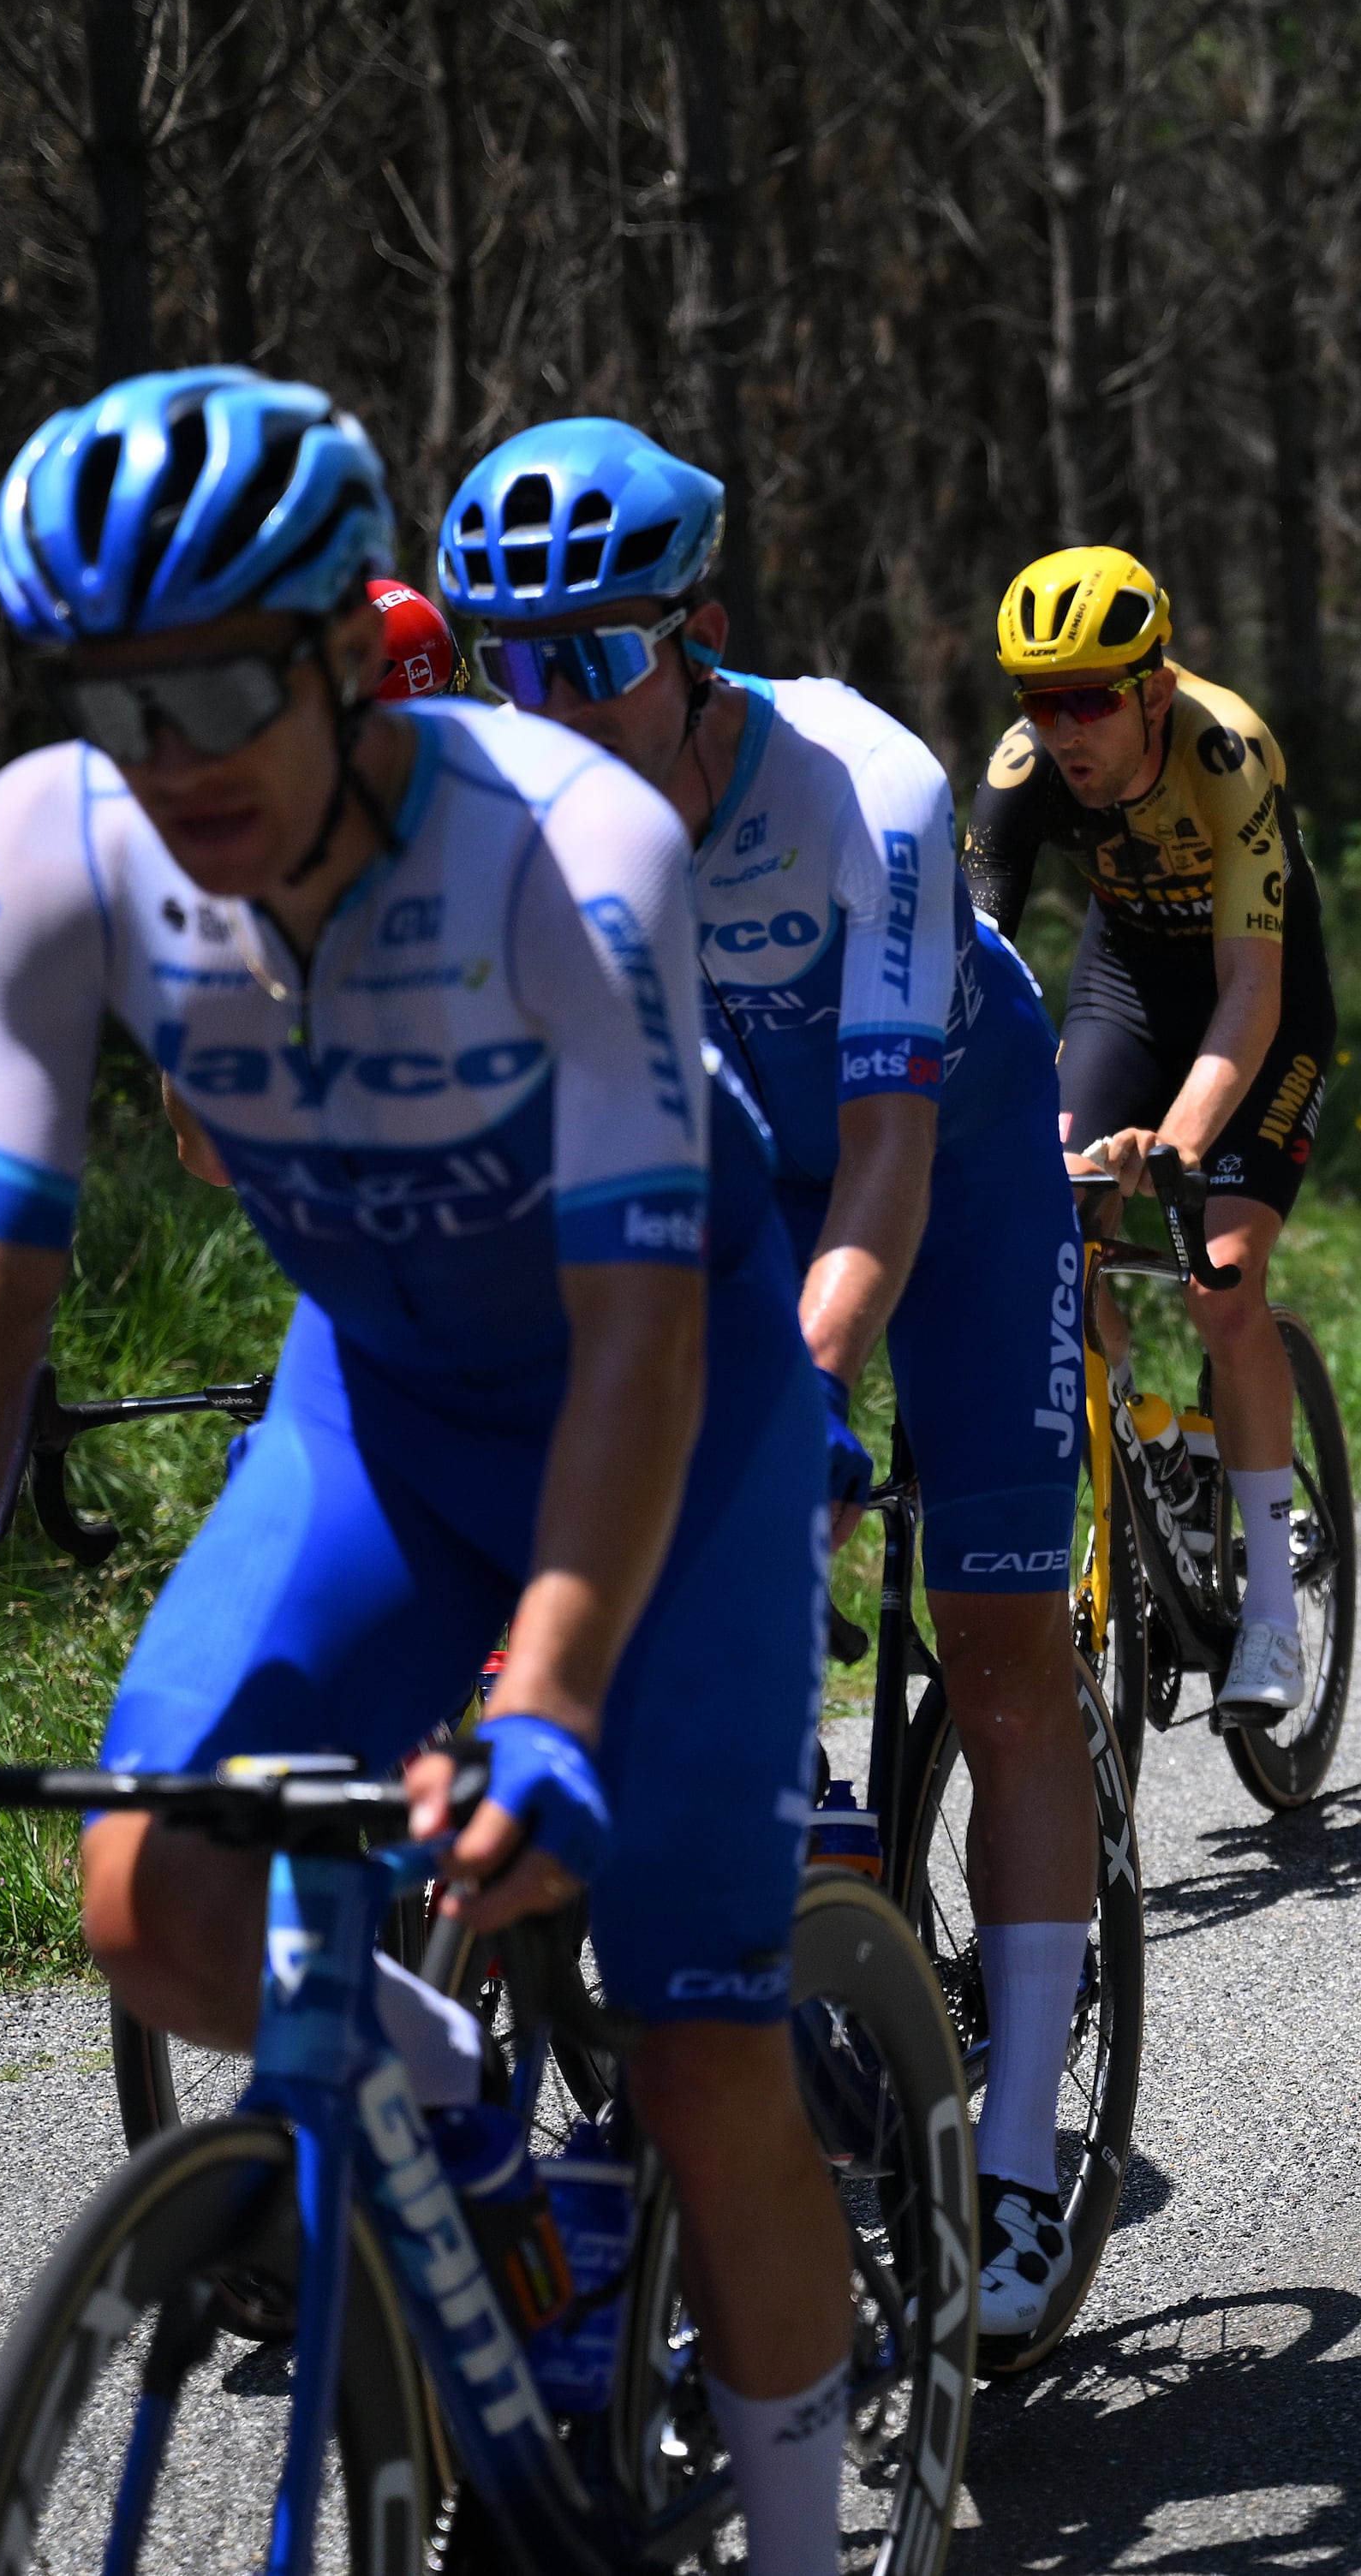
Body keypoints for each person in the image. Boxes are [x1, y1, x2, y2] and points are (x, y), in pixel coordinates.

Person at [0, 368, 857, 2574]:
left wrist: (543, 1696)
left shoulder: (571, 847)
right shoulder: (53, 845)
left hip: (680, 1422)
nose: (173, 762)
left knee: (703, 2035)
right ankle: (462, 2138)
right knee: (154, 1896)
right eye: (115, 701)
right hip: (384, 1411)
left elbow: (642, 1328)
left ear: (358, 651)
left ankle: (808, 2534)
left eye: (231, 683)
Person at [434, 417, 1093, 2345]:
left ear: (701, 633)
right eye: (506, 663)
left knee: (994, 1637)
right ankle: (794, 1888)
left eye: (594, 660)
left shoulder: (855, 785)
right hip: (726, 1176)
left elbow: (880, 1171)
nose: (544, 706)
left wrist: (784, 1404)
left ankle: (1032, 2146)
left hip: (943, 1163)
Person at [961, 548, 1334, 1739]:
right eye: (1038, 697)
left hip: (1256, 995)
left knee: (1222, 1278)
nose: (1060, 726)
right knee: (1052, 1237)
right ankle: (1155, 1440)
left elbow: (1251, 994)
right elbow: (977, 969)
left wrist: (1171, 1147)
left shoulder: (1227, 753)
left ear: (1154, 689)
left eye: (1088, 698)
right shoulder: (1021, 772)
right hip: (1125, 983)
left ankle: (1271, 1607)